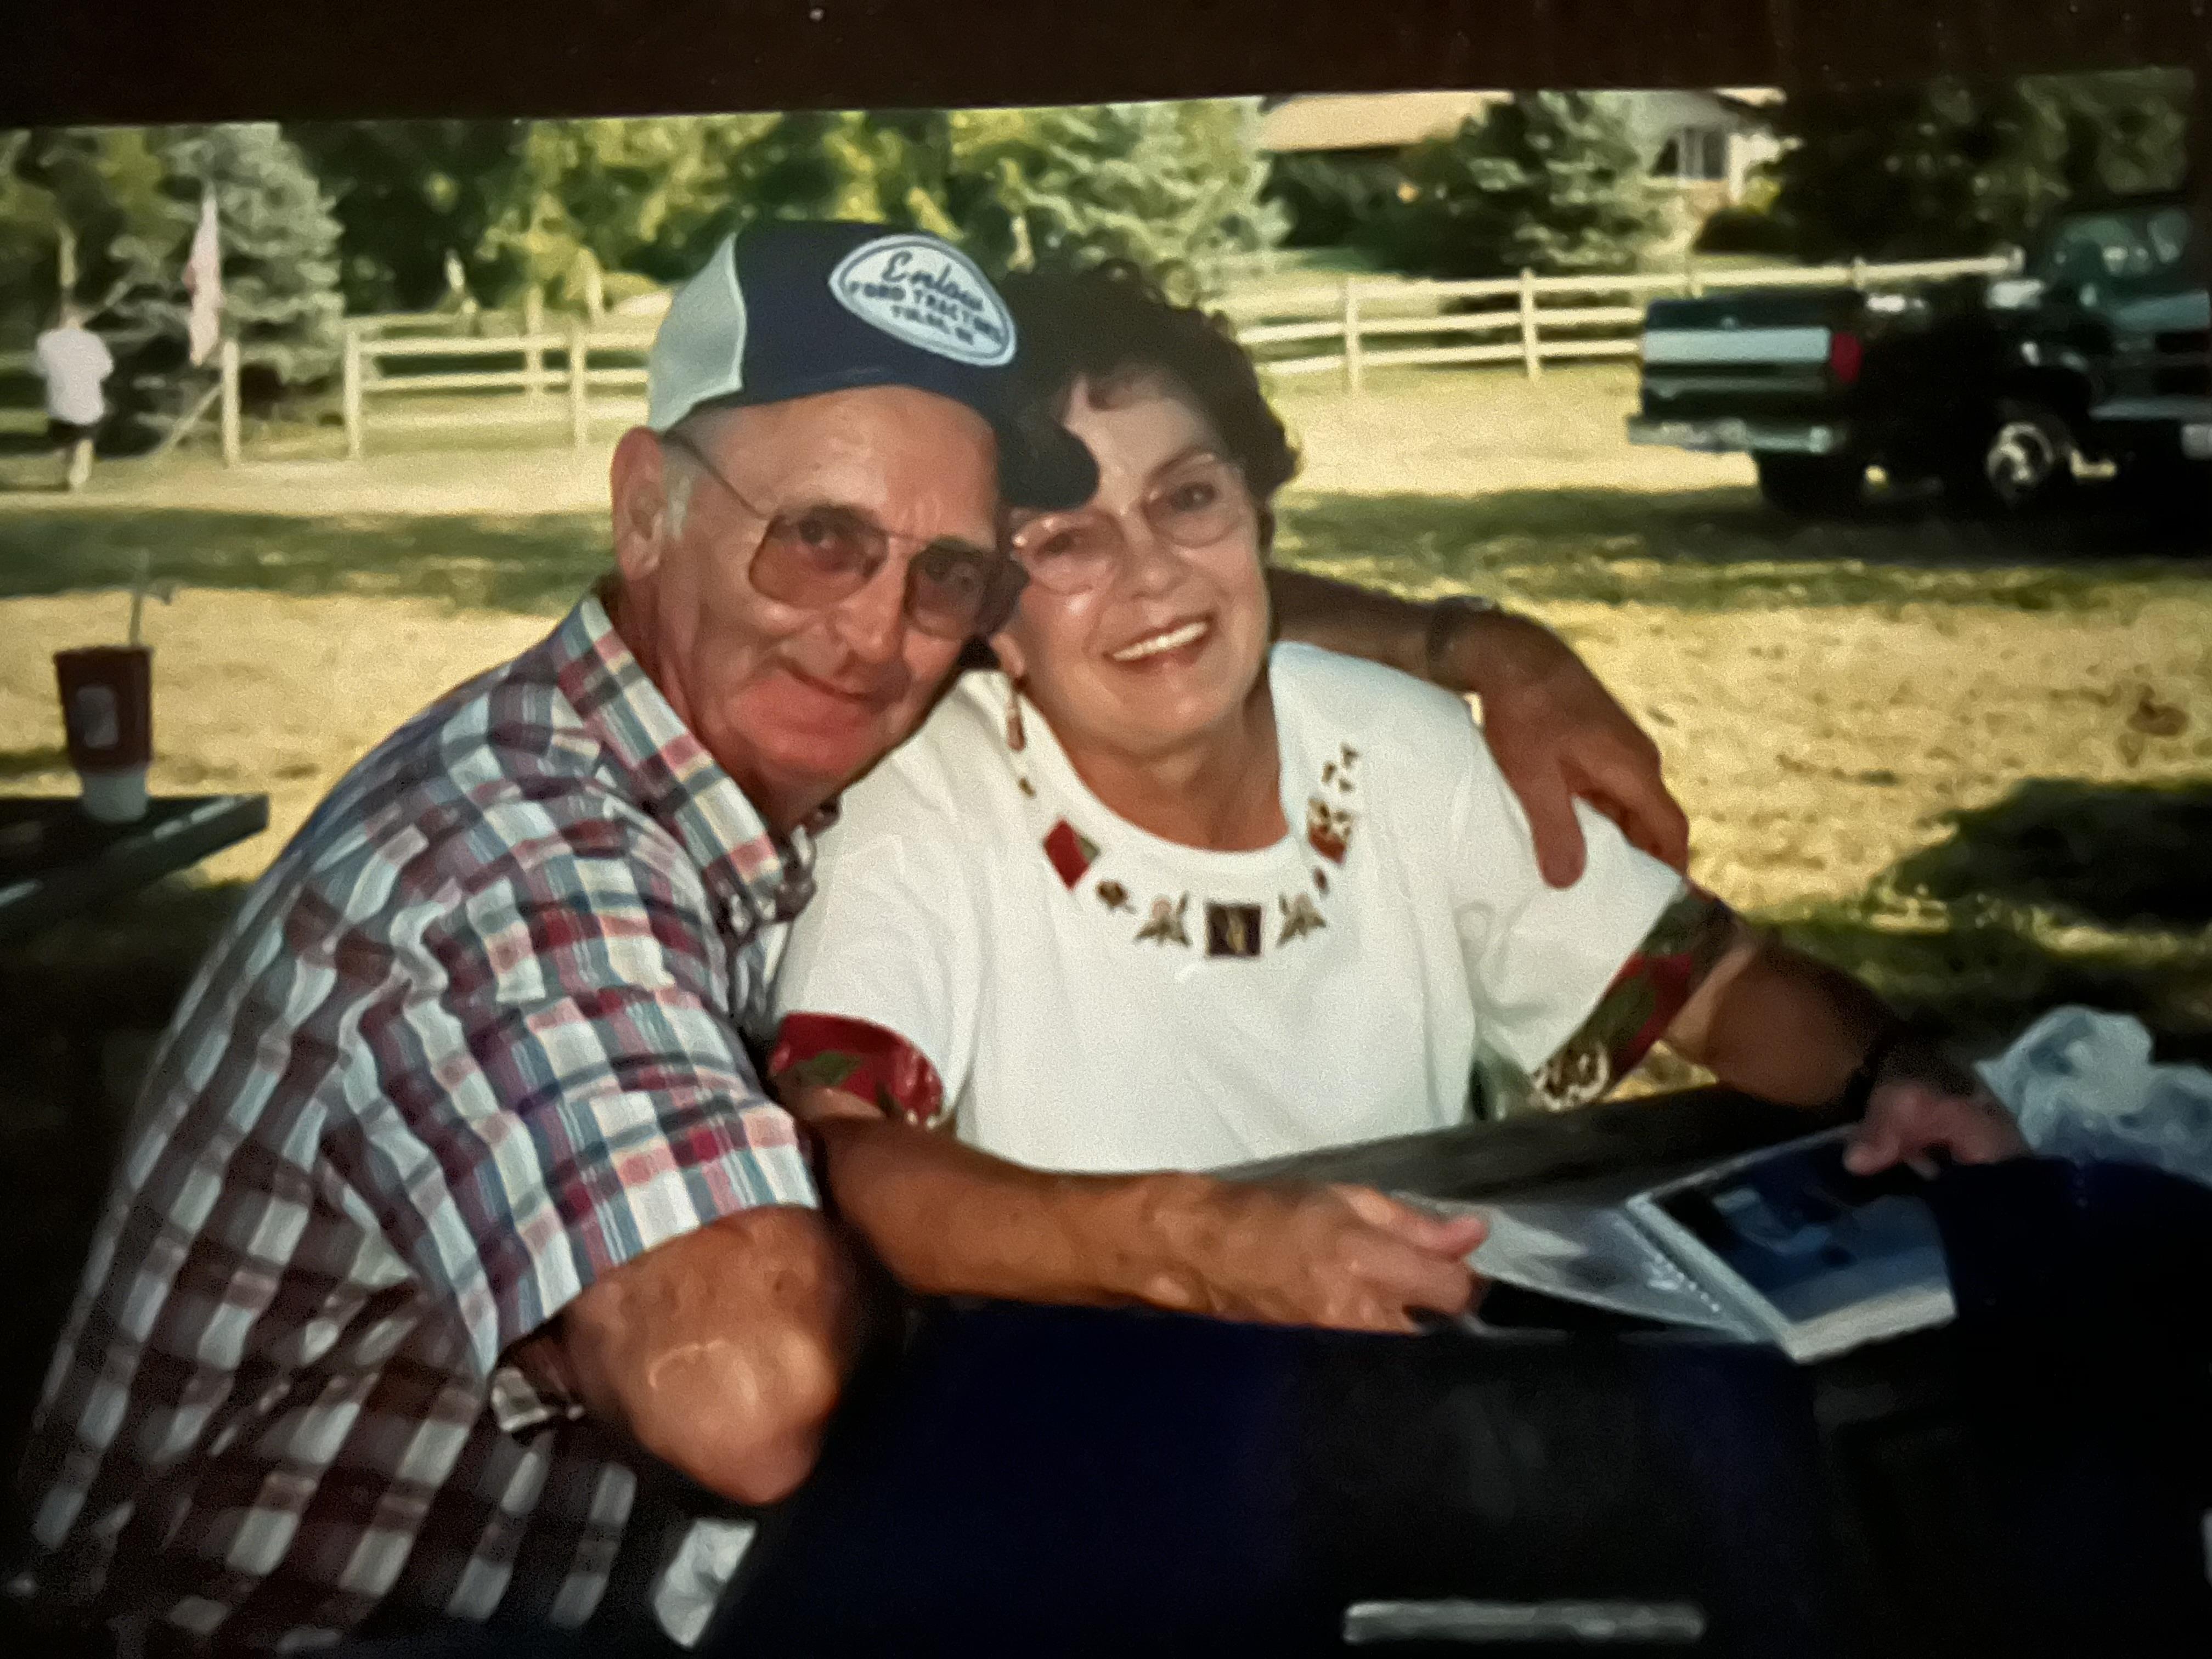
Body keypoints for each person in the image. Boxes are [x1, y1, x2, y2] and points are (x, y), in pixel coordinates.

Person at [8, 223, 1685, 1657]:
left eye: (942, 573)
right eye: (820, 536)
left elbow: (1132, 595)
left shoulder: (761, 705)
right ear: (646, 505)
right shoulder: (511, 860)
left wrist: (1468, 641)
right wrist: (1051, 1245)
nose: (878, 630)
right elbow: (740, 1388)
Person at [769, 262, 2028, 1335]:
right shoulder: (927, 804)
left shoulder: (1401, 747)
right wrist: (1193, 1239)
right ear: (990, 607)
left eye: (1188, 499)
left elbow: (1717, 984)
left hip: (1402, 1369)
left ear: (1258, 514)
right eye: (1070, 543)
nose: (1155, 575)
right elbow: (847, 1154)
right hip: (1098, 1404)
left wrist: (1898, 1075)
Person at [33, 303, 114, 493]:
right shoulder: (93, 341)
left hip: (58, 408)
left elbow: (37, 369)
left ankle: (71, 456)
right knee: (84, 435)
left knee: (64, 437)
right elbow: (106, 369)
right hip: (89, 408)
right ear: (80, 321)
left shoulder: (45, 341)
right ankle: (78, 462)